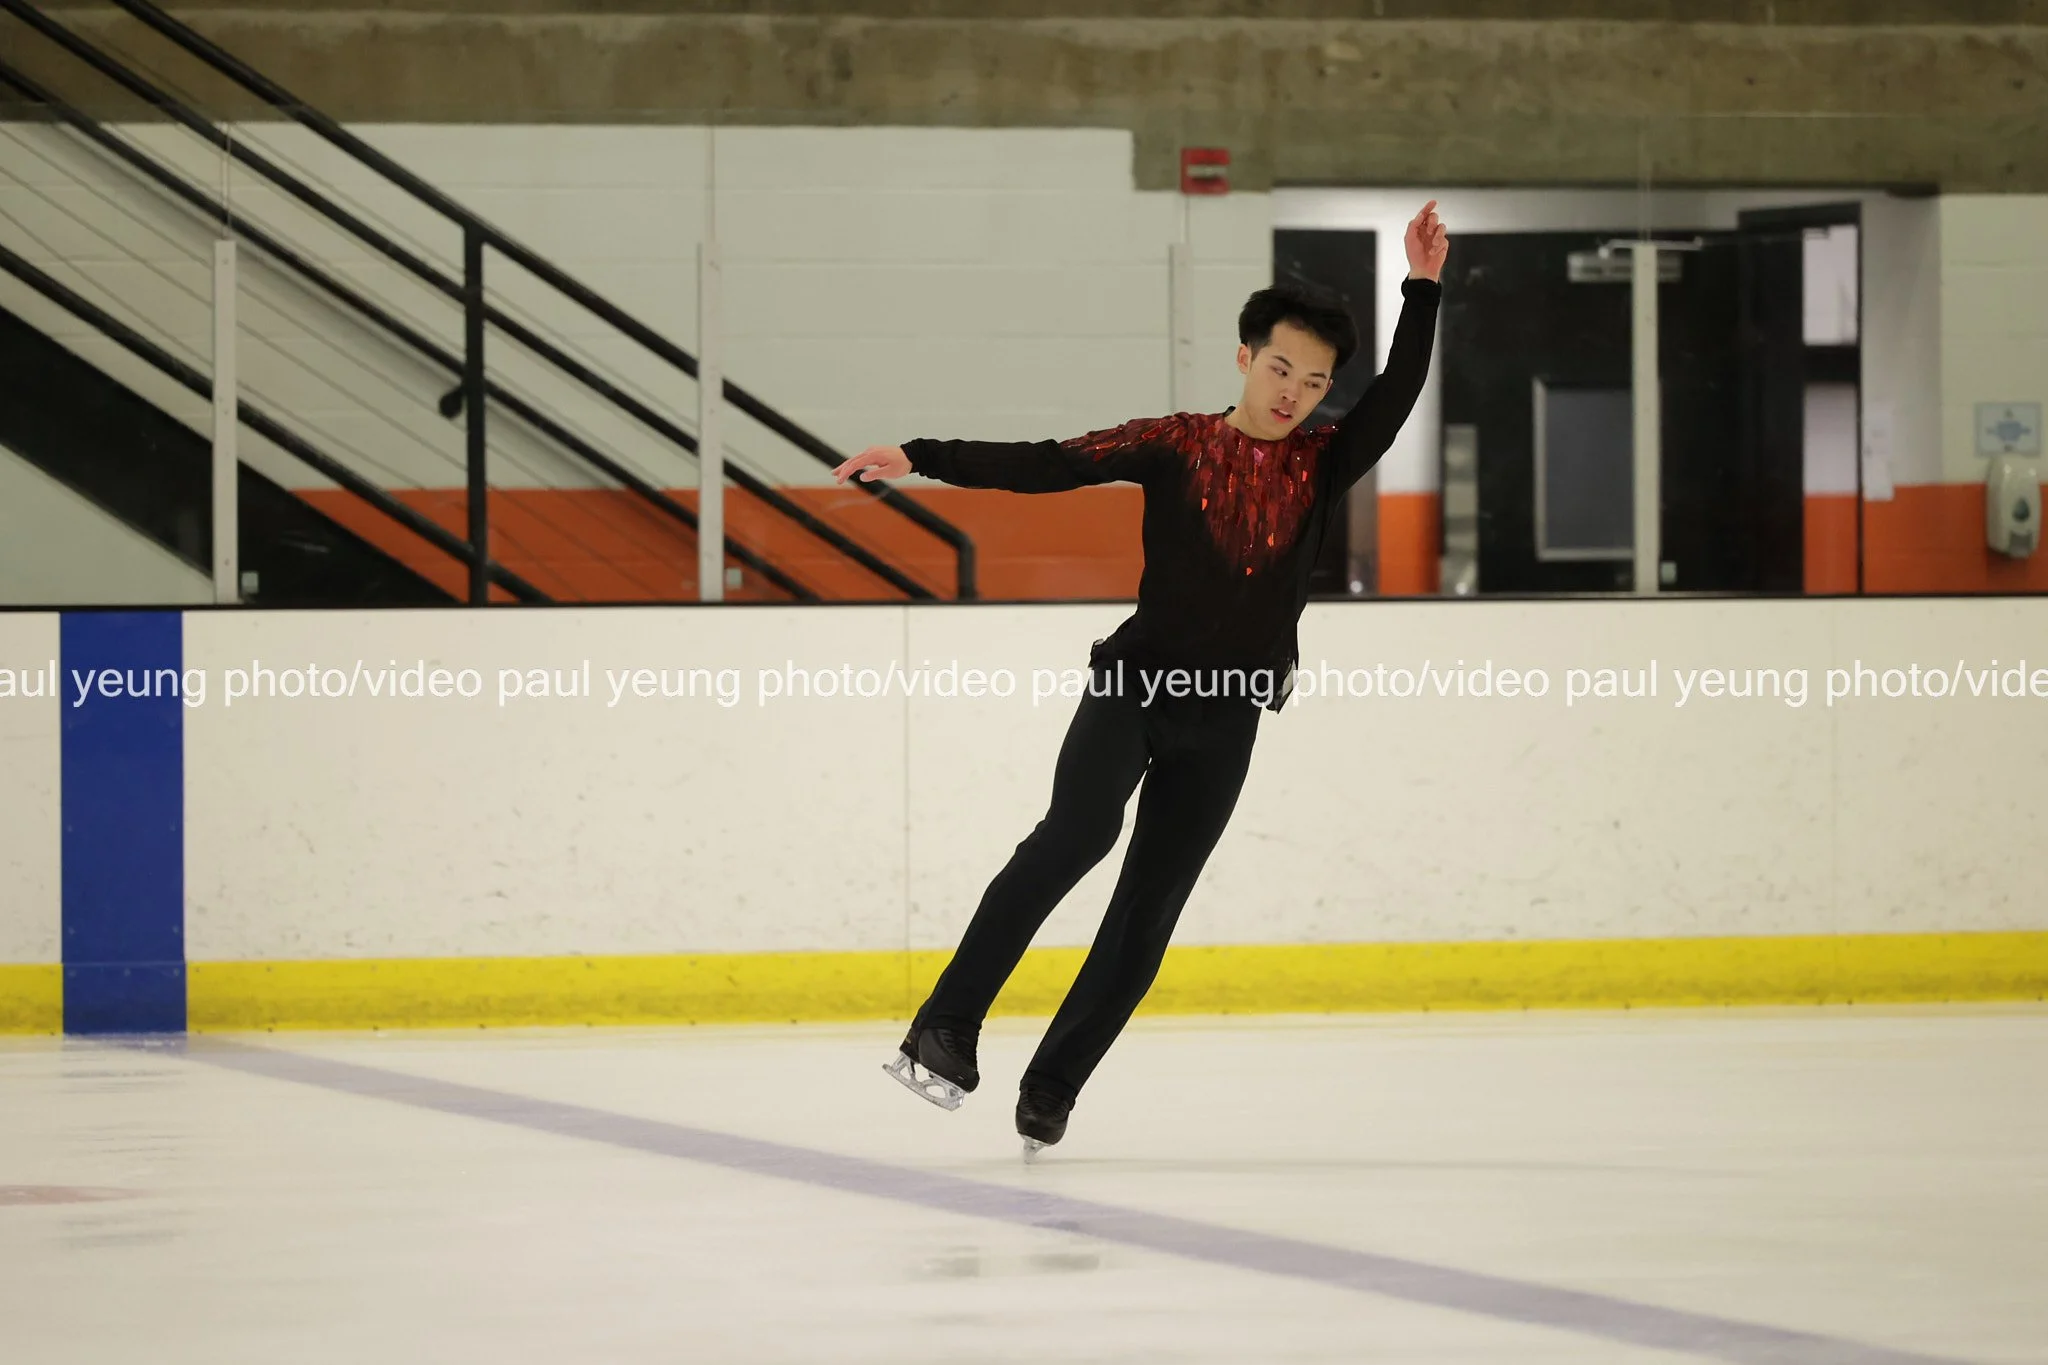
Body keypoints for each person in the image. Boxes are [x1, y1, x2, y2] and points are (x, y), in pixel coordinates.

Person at [832, 201, 1449, 1153]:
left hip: (1228, 715)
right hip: (1133, 690)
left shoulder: (1324, 465)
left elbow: (1400, 390)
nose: (1293, 392)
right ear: (1245, 357)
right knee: (1076, 833)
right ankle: (945, 1026)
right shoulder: (1176, 442)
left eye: (1315, 381)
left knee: (1149, 905)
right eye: (1280, 368)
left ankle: (1053, 1085)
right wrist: (920, 456)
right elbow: (1051, 464)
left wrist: (1423, 285)